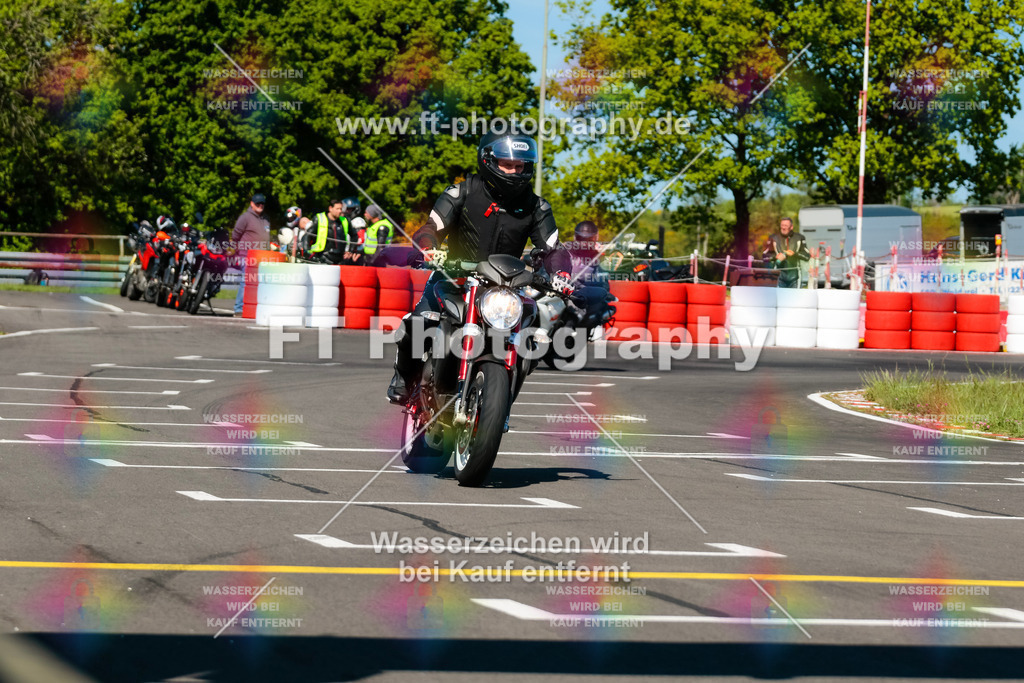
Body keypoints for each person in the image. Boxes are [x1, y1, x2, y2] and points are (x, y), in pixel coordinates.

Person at [386, 130, 573, 404]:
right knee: (419, 324)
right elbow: (431, 228)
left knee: (530, 336)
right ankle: (404, 377)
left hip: (504, 288)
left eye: (520, 166)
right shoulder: (461, 192)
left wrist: (561, 274)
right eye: (506, 164)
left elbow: (553, 249)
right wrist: (428, 248)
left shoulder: (536, 207)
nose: (513, 171)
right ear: (488, 161)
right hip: (453, 278)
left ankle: (500, 403)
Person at [231, 192, 270, 314]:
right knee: (246, 282)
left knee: (259, 284)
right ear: (252, 204)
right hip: (246, 255)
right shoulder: (245, 217)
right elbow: (235, 235)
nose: (260, 205)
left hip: (262, 257)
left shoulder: (266, 219)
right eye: (258, 203)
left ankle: (252, 308)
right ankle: (239, 308)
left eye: (262, 203)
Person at [764, 217, 809, 288]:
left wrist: (794, 254)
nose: (783, 228)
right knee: (779, 298)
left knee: (795, 298)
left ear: (791, 227)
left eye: (786, 226)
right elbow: (764, 257)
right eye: (782, 225)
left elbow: (807, 256)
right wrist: (775, 257)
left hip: (795, 277)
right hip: (779, 276)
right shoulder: (774, 238)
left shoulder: (799, 237)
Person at [309, 199, 348, 264]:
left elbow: (354, 235)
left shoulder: (345, 220)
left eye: (341, 209)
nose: (340, 211)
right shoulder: (319, 219)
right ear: (330, 208)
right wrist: (307, 251)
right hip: (323, 257)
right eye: (337, 209)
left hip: (340, 259)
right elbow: (308, 235)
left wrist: (351, 251)